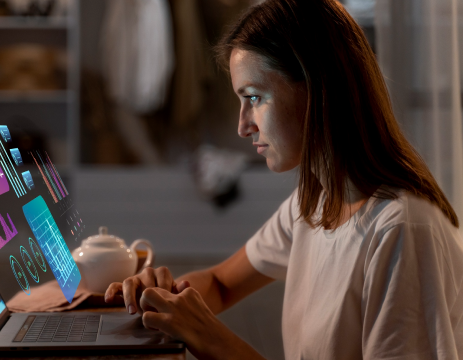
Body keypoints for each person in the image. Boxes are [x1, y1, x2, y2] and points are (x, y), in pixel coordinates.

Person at [104, 0, 463, 359]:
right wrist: (163, 297)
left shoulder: (401, 231)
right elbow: (220, 283)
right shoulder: (313, 205)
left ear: (317, 87)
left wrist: (213, 340)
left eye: (255, 98)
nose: (243, 126)